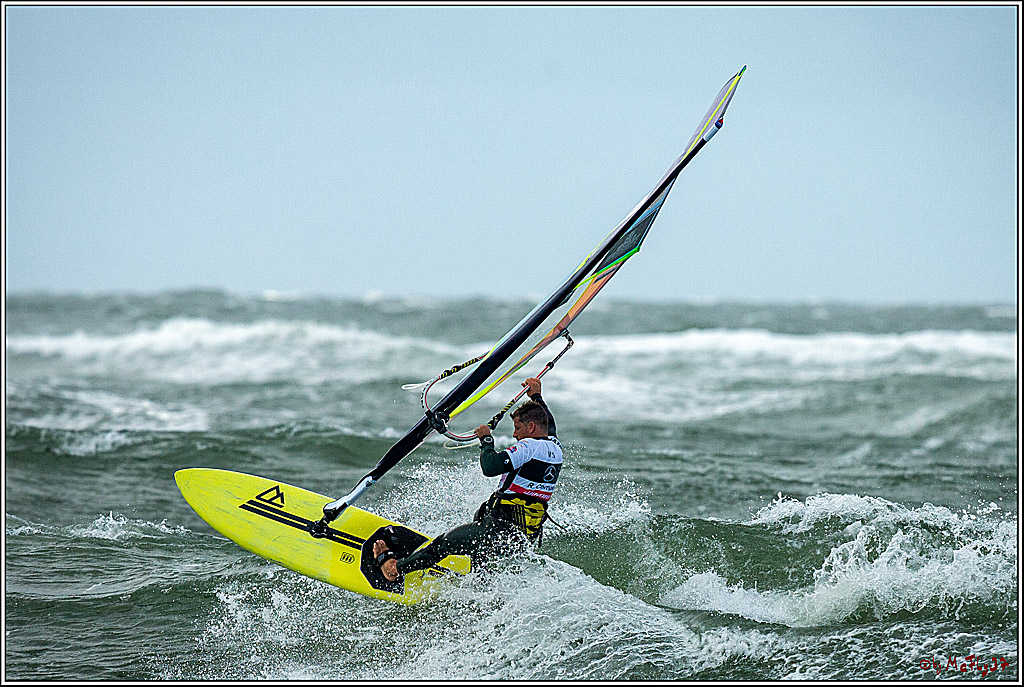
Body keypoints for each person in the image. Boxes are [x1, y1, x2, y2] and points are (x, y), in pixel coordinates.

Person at [372, 377, 562, 582]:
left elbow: (490, 467)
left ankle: (394, 570)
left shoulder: (528, 447)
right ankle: (480, 587)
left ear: (531, 427)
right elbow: (548, 424)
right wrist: (536, 396)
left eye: (518, 428)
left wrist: (486, 440)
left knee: (442, 545)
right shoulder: (554, 446)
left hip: (497, 531)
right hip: (523, 535)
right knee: (481, 548)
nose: (515, 434)